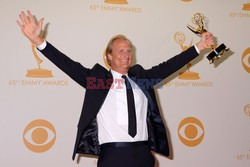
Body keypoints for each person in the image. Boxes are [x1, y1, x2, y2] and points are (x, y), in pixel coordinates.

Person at [17, 10, 214, 167]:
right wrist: (39, 42)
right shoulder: (99, 81)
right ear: (109, 56)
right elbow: (68, 65)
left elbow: (170, 65)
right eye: (120, 51)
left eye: (129, 51)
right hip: (113, 157)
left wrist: (199, 46)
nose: (126, 55)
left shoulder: (142, 79)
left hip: (144, 156)